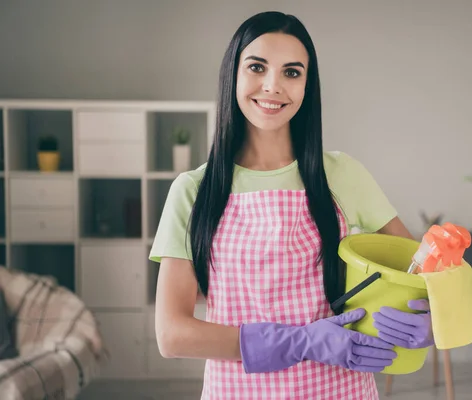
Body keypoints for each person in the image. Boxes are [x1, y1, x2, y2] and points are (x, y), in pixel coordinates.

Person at [149, 11, 434, 399]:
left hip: (340, 389)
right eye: (257, 67)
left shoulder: (343, 175)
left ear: (307, 86)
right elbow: (173, 334)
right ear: (233, 73)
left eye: (292, 72)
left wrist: (431, 318)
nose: (272, 86)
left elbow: (421, 273)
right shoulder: (193, 191)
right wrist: (302, 342)